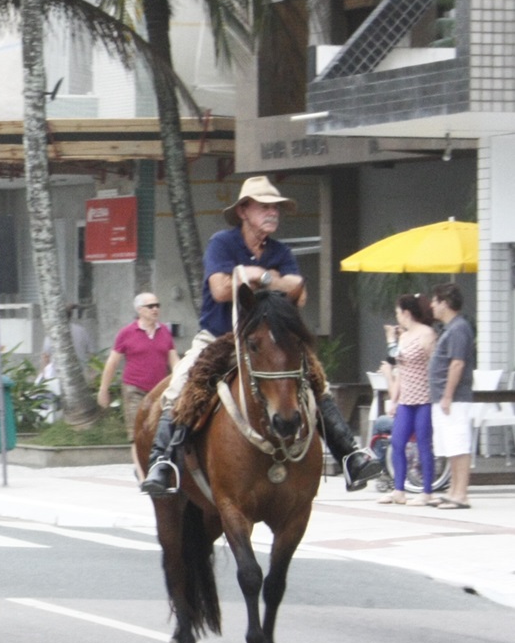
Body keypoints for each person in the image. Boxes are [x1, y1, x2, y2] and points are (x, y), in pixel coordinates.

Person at [140, 177, 384, 496]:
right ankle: (163, 463)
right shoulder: (223, 244)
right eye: (265, 207)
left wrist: (257, 276)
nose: (273, 213)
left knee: (315, 381)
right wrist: (271, 279)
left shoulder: (281, 250)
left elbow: (299, 293)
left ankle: (349, 454)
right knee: (182, 383)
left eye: (276, 208)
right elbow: (221, 289)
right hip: (219, 337)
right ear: (243, 210)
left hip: (268, 341)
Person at [378, 293, 438, 505]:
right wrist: (394, 400)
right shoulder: (403, 336)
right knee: (397, 441)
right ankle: (399, 490)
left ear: (406, 312)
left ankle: (427, 491)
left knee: (423, 443)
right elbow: (399, 368)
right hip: (406, 398)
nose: (397, 317)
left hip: (424, 397)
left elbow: (434, 365)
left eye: (397, 312)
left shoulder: (427, 334)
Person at [98, 292, 179, 440]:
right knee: (137, 435)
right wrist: (103, 389)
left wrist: (182, 381)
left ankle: (153, 462)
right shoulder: (126, 333)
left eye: (157, 306)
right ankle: (141, 463)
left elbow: (174, 361)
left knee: (159, 432)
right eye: (150, 306)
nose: (155, 309)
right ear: (139, 310)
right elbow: (112, 362)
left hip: (159, 390)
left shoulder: (165, 331)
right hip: (134, 389)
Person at [429, 282, 475, 509]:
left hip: (454, 399)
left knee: (458, 444)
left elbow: (457, 364)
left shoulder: (459, 329)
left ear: (445, 303)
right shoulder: (450, 328)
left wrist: (447, 395)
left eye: (435, 302)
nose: (431, 306)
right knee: (449, 445)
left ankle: (461, 493)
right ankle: (454, 489)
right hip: (443, 398)